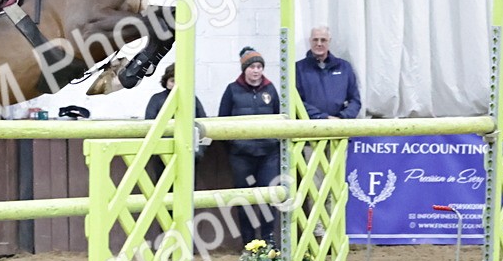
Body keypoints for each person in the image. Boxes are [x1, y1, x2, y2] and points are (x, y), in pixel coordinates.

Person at [218, 47, 281, 248]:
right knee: (244, 199)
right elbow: (223, 123)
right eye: (252, 67)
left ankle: (268, 240)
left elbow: (280, 117)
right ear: (244, 69)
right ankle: (249, 242)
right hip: (242, 156)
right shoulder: (231, 90)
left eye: (259, 66)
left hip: (268, 154)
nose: (256, 71)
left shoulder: (271, 90)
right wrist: (235, 147)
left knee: (269, 197)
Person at [144, 63, 208, 182]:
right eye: (173, 80)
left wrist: (199, 152)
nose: (176, 85)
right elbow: (149, 125)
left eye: (180, 81)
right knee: (163, 188)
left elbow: (203, 125)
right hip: (162, 154)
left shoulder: (192, 99)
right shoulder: (156, 99)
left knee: (188, 188)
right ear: (166, 81)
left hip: (188, 153)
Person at [295, 26, 361, 119]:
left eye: (323, 40)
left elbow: (355, 100)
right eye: (315, 40)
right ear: (310, 41)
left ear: (329, 41)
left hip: (340, 128)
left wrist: (342, 117)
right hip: (310, 128)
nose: (319, 43)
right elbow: (296, 101)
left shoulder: (344, 67)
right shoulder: (298, 69)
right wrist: (322, 117)